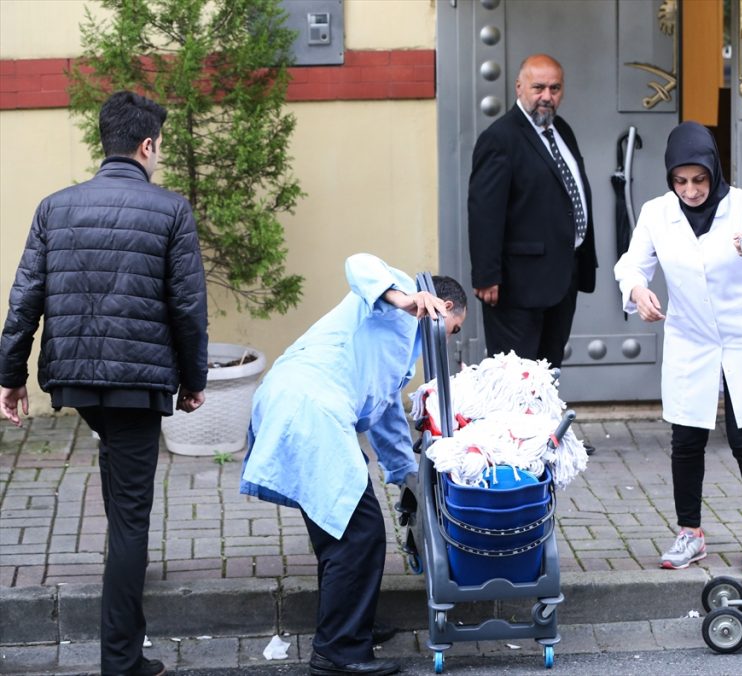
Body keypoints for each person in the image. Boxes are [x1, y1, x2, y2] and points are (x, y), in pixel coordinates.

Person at [0, 91, 208, 676]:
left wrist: (10, 377)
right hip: (138, 385)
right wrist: (193, 381)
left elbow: (24, 299)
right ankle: (121, 661)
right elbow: (188, 307)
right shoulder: (170, 210)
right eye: (158, 148)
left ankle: (124, 622)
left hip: (73, 379)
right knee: (132, 519)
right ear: (146, 145)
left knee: (119, 479)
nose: (158, 157)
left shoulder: (54, 207)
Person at [240, 253, 467, 676]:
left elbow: (386, 415)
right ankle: (338, 652)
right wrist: (404, 298)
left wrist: (405, 477)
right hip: (309, 406)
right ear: (446, 306)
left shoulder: (400, 351)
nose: (449, 339)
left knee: (339, 533)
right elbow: (358, 262)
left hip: (303, 404)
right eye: (455, 329)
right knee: (360, 534)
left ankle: (351, 625)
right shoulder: (396, 300)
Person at [613, 121, 742, 573]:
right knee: (687, 438)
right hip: (691, 338)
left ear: (714, 170)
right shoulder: (657, 213)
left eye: (699, 180)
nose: (690, 191)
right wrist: (638, 290)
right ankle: (690, 533)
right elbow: (631, 265)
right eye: (680, 181)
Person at [467, 53, 598, 370]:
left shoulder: (561, 130)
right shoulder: (500, 138)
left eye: (555, 88)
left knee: (548, 372)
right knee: (515, 378)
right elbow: (484, 211)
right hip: (517, 286)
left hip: (562, 278)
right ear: (519, 87)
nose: (547, 97)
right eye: (538, 88)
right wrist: (486, 275)